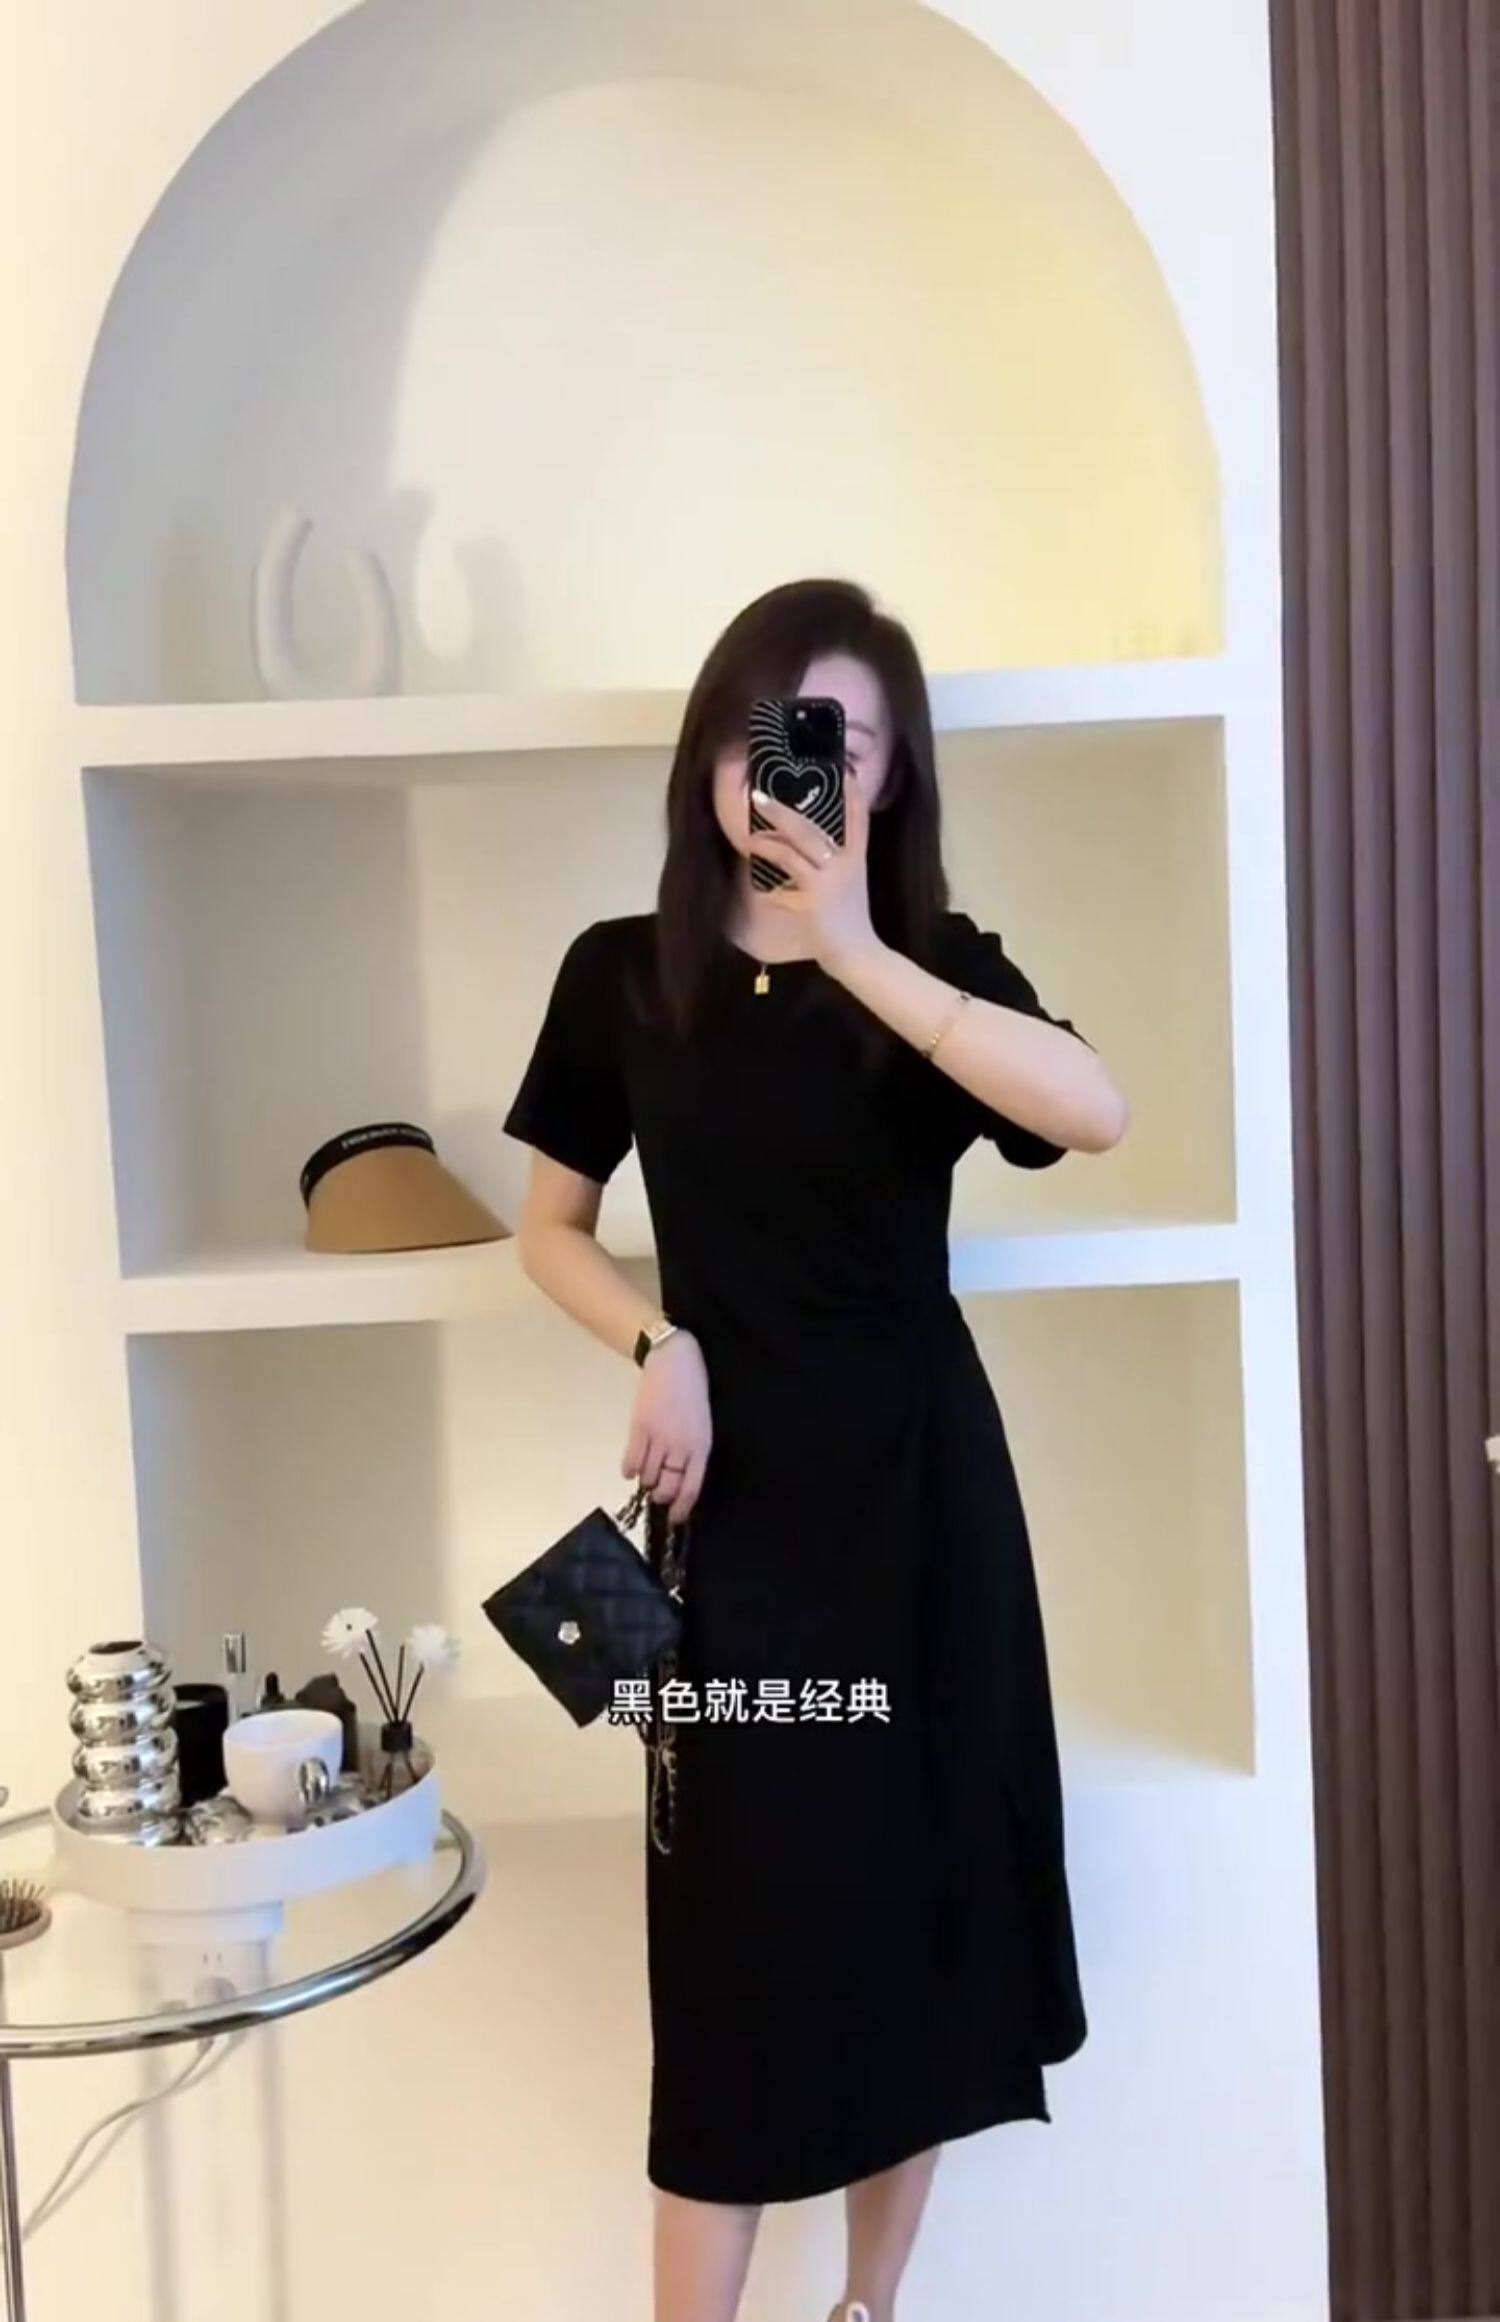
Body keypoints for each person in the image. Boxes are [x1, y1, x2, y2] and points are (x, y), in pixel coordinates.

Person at [502, 577, 1130, 2322]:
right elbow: (548, 1227)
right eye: (762, 729)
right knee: (729, 1964)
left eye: (836, 738)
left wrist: (855, 944)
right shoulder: (622, 974)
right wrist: (661, 1342)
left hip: (922, 1511)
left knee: (915, 1921)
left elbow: (1093, 1108)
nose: (789, 768)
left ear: (895, 771)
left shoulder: (932, 969)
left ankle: (869, 2306)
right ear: (708, 753)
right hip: (730, 1520)